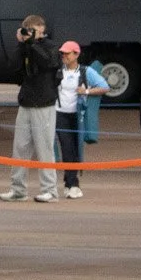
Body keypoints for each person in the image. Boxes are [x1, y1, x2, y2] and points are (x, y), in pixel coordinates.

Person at [0, 15, 61, 203]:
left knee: (45, 148)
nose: (31, 34)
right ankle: (18, 189)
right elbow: (12, 66)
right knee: (20, 148)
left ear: (42, 29)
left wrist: (33, 44)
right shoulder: (25, 48)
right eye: (28, 30)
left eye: (34, 30)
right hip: (26, 102)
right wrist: (22, 45)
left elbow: (48, 63)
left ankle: (50, 190)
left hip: (44, 104)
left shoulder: (50, 46)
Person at [54, 41, 108, 198]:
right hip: (59, 113)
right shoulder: (58, 71)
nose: (64, 56)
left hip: (77, 115)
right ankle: (72, 183)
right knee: (66, 147)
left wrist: (86, 91)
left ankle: (71, 182)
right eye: (62, 53)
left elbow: (104, 86)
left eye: (67, 53)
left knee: (76, 147)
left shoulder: (86, 71)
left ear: (76, 54)